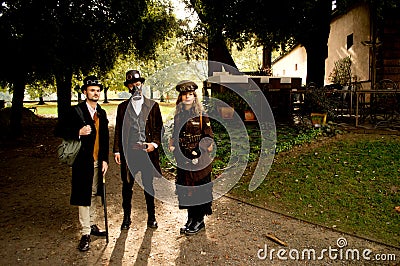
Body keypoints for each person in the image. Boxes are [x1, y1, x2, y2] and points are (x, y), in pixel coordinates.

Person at [55, 75, 109, 252]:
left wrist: (105, 160)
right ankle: (85, 233)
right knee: (83, 196)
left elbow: (105, 138)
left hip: (97, 161)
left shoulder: (101, 112)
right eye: (92, 90)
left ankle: (92, 224)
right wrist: (77, 131)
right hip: (82, 162)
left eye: (98, 90)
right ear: (85, 92)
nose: (95, 93)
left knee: (93, 193)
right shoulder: (75, 111)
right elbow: (59, 130)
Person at [113, 70, 163, 230]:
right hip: (130, 153)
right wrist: (117, 150)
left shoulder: (153, 105)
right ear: (128, 87)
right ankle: (126, 218)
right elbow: (119, 130)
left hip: (147, 153)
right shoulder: (122, 108)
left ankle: (152, 217)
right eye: (131, 85)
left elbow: (159, 129)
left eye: (138, 84)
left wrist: (153, 145)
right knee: (127, 186)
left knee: (149, 185)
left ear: (141, 85)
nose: (135, 87)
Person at [168, 80, 214, 235]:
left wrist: (197, 151)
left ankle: (199, 221)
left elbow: (209, 138)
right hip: (183, 160)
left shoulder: (202, 115)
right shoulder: (179, 115)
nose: (187, 97)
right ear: (180, 97)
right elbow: (176, 135)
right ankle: (191, 218)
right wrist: (173, 145)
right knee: (187, 191)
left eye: (190, 94)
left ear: (194, 96)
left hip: (199, 161)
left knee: (199, 191)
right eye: (184, 94)